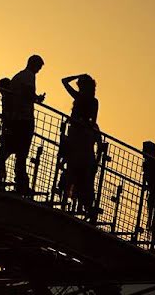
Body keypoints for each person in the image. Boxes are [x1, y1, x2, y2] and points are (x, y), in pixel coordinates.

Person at [0, 56, 45, 195]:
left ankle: (3, 180)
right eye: (39, 67)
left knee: (4, 154)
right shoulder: (29, 76)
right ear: (34, 65)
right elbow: (28, 92)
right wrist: (37, 99)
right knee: (22, 154)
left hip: (14, 120)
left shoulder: (18, 76)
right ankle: (21, 184)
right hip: (24, 121)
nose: (38, 70)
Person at [61, 74, 100, 218]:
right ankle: (86, 207)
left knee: (74, 170)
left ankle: (72, 204)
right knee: (82, 174)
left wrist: (77, 75)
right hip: (84, 138)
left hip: (77, 137)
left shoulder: (79, 98)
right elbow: (93, 121)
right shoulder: (94, 101)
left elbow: (64, 81)